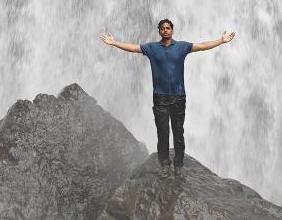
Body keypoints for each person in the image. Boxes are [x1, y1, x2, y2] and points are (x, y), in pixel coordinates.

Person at [100, 18, 236, 177]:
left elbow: (202, 46)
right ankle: (165, 164)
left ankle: (178, 164)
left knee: (178, 134)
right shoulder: (151, 48)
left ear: (172, 30)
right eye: (162, 28)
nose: (165, 30)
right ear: (159, 31)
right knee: (162, 134)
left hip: (178, 97)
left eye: (168, 28)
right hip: (160, 98)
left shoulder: (182, 46)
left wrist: (221, 40)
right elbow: (133, 48)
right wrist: (114, 42)